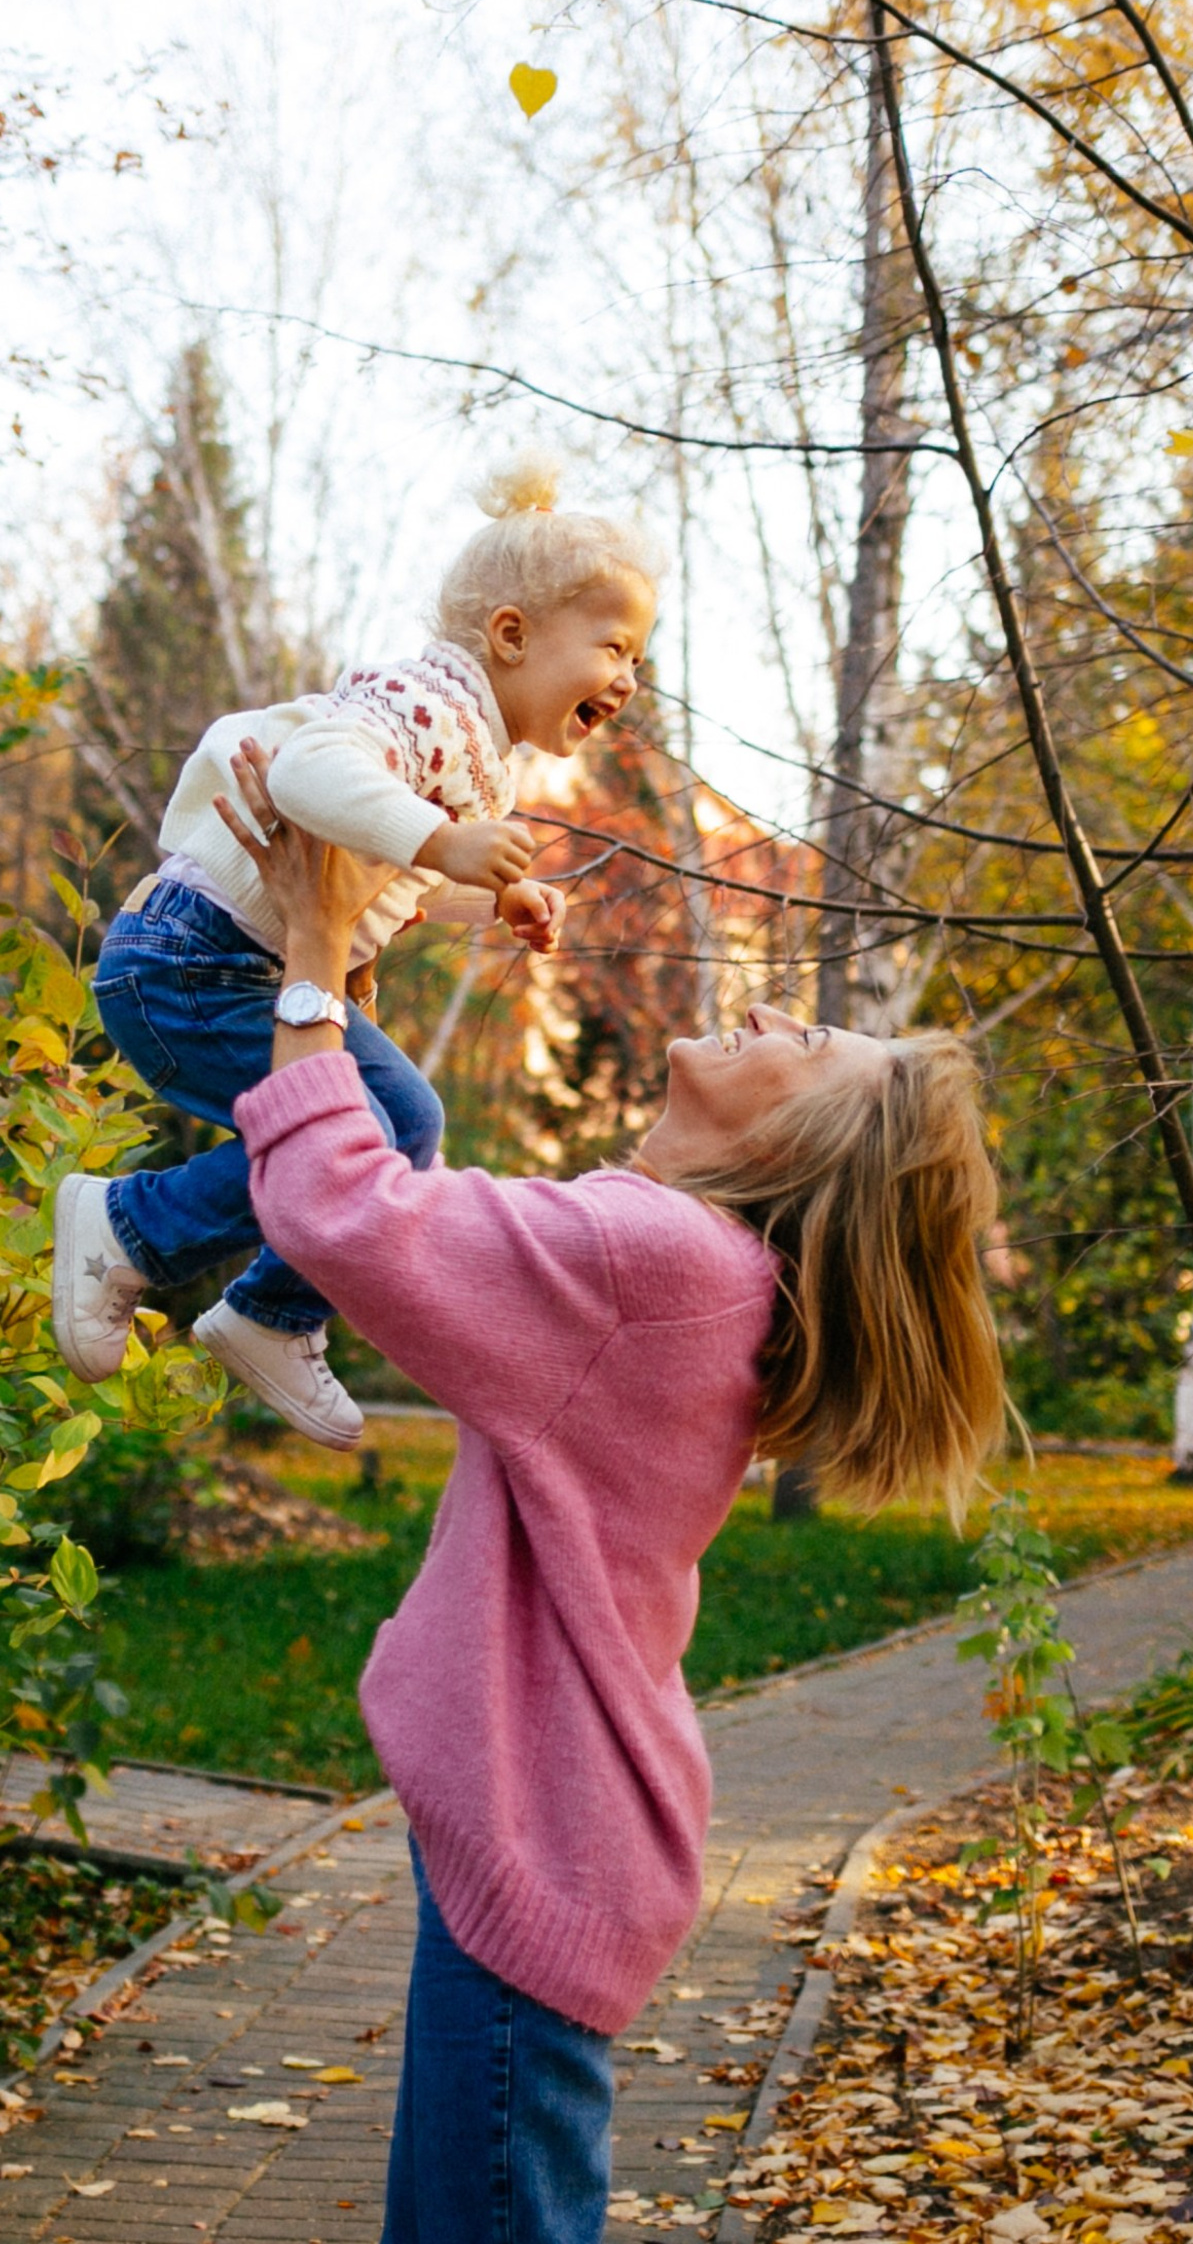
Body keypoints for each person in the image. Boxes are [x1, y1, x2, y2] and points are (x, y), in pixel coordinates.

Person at [209, 736, 1005, 2244]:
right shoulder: (687, 1272)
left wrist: (316, 943)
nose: (775, 1005)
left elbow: (341, 1210)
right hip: (565, 1827)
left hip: (550, 1830)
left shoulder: (670, 1268)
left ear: (805, 1135)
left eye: (815, 1038)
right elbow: (417, 1220)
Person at [48, 458, 661, 1445]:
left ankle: (268, 1312)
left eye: (638, 657)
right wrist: (447, 841)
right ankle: (131, 1227)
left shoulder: (479, 748)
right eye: (614, 645)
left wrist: (490, 897)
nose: (629, 678)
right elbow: (309, 771)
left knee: (406, 1122)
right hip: (191, 963)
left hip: (235, 961)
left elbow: (384, 878)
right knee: (360, 1134)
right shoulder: (429, 706)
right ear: (510, 635)